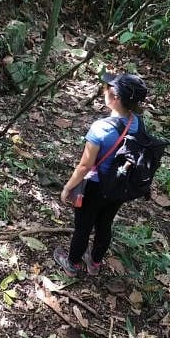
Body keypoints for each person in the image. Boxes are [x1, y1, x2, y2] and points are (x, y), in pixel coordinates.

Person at [55, 72, 148, 277]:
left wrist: (68, 187)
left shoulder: (100, 128)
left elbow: (84, 166)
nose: (104, 91)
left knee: (83, 226)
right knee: (105, 224)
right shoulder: (138, 122)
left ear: (115, 98)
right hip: (119, 185)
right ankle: (94, 262)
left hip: (96, 186)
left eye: (107, 89)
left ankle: (72, 264)